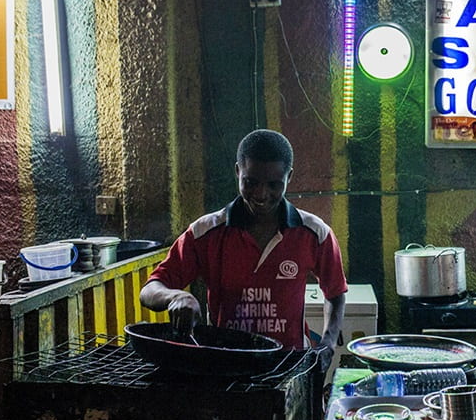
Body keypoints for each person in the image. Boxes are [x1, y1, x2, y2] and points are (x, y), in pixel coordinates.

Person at [141, 128, 347, 352]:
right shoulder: (205, 233)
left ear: (289, 177)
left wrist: (328, 344)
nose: (261, 194)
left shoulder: (315, 233)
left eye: (274, 185)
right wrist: (175, 297)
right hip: (227, 365)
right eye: (251, 182)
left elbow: (336, 294)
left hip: (290, 364)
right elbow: (150, 290)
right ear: (238, 172)